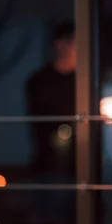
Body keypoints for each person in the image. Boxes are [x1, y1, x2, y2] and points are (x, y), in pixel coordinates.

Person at [26, 22, 76, 180]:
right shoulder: (40, 81)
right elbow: (39, 124)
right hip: (49, 164)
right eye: (77, 42)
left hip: (83, 163)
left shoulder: (86, 82)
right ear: (60, 44)